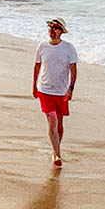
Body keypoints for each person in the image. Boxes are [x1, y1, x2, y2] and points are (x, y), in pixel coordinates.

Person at [32, 17, 78, 167]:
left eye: (56, 28)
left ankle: (55, 149)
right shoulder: (42, 46)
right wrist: (34, 86)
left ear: (61, 32)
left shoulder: (69, 48)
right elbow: (37, 66)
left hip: (61, 90)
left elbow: (73, 70)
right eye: (51, 27)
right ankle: (57, 155)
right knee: (52, 121)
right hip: (44, 89)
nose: (52, 31)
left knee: (59, 123)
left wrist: (70, 89)